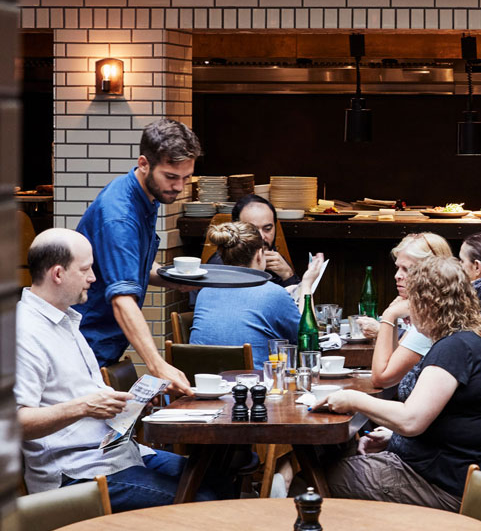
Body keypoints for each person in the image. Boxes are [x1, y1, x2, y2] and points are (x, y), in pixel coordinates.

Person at [16, 229, 230, 509]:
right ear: (58, 274)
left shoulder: (65, 318)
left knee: (219, 477)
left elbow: (83, 395)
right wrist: (84, 407)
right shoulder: (24, 332)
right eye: (85, 269)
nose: (93, 278)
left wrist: (131, 401)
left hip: (116, 454)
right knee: (204, 501)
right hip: (76, 473)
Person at [320, 255, 481, 510]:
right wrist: (393, 438)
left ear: (428, 303)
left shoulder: (454, 349)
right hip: (454, 473)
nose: (409, 310)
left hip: (442, 485)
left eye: (412, 300)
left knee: (314, 481)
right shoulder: (473, 339)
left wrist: (353, 399)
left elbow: (411, 420)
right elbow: (456, 420)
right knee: (334, 461)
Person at [74, 118, 202, 395]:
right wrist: (157, 366)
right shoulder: (120, 215)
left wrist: (174, 280)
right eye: (171, 176)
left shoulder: (145, 194)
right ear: (144, 163)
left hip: (102, 344)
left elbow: (130, 265)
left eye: (186, 177)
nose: (179, 187)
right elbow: (121, 300)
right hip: (85, 346)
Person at [189, 221, 321, 367]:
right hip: (257, 384)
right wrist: (307, 284)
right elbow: (307, 340)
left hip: (202, 383)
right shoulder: (272, 294)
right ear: (259, 254)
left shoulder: (205, 293)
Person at [359, 232, 453, 392]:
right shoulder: (443, 305)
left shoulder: (431, 318)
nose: (397, 276)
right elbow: (395, 359)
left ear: (431, 272)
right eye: (397, 268)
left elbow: (381, 379)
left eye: (407, 269)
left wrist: (389, 315)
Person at [207, 194, 298, 285]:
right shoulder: (220, 265)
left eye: (267, 229)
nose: (262, 236)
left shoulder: (277, 260)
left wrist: (288, 276)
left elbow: (301, 298)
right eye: (253, 230)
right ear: (237, 228)